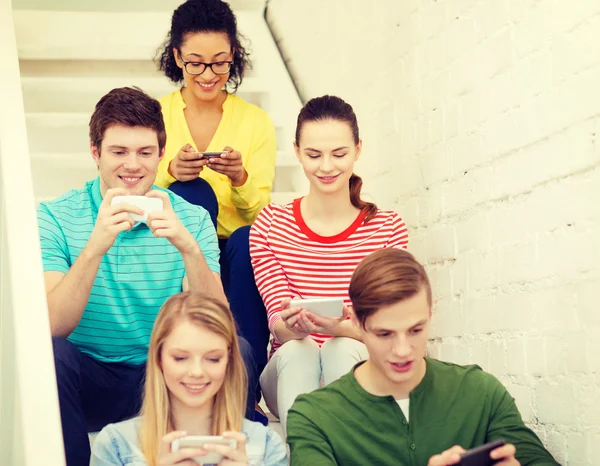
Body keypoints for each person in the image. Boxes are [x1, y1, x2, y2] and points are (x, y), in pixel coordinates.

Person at [37, 87, 258, 466]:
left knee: (242, 350)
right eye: (118, 152)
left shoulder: (190, 218)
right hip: (90, 378)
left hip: (164, 377)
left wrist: (187, 246)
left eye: (145, 152)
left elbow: (219, 326)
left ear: (160, 154)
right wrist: (95, 246)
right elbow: (54, 324)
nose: (132, 166)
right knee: (50, 354)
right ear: (95, 152)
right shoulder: (55, 216)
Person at [286, 248, 560, 466]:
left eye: (416, 330)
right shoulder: (314, 416)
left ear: (431, 311)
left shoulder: (480, 392)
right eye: (384, 334)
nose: (403, 350)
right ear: (356, 322)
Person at [249, 95, 409, 432]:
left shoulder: (386, 228)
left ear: (358, 150)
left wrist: (338, 329)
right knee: (299, 350)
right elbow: (277, 322)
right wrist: (296, 327)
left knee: (342, 347)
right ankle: (308, 450)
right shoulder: (271, 223)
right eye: (313, 154)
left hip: (360, 365)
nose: (326, 167)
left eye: (339, 154)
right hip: (289, 370)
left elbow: (389, 328)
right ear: (296, 152)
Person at [154, 0, 275, 376]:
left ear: (233, 57)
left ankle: (246, 382)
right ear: (176, 57)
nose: (208, 74)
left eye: (219, 62)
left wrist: (239, 178)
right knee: (194, 194)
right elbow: (132, 187)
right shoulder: (155, 115)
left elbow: (262, 217)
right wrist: (170, 171)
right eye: (195, 62)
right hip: (172, 246)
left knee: (247, 239)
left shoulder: (255, 123)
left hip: (232, 250)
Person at [91, 292, 288, 466]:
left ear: (229, 362)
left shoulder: (266, 444)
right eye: (180, 358)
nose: (196, 371)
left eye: (212, 359)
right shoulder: (115, 445)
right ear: (159, 359)